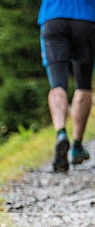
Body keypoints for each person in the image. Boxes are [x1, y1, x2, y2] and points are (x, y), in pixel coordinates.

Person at [38, 0, 95, 172]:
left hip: (53, 17)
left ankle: (61, 133)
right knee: (83, 87)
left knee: (57, 86)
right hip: (86, 19)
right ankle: (77, 146)